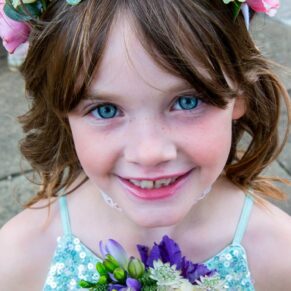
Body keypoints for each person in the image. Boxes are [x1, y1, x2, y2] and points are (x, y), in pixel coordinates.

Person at [0, 0, 291, 290]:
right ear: (61, 110)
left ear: (240, 93)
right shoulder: (18, 261)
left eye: (187, 101)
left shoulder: (279, 259)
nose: (149, 153)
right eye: (105, 110)